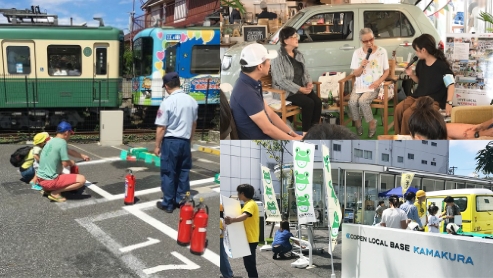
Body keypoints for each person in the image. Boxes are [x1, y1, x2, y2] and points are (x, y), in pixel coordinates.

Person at [229, 43, 303, 140]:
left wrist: (291, 133)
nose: (270, 63)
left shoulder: (251, 83)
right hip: (261, 145)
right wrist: (295, 140)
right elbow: (268, 129)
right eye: (268, 60)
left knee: (309, 136)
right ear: (260, 66)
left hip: (267, 137)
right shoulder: (246, 92)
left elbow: (270, 113)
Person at [154, 72, 198, 213]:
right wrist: (189, 143)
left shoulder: (167, 102)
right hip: (185, 142)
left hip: (171, 142)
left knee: (168, 173)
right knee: (183, 172)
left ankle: (168, 203)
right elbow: (193, 125)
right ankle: (182, 201)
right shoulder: (192, 101)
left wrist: (157, 146)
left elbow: (161, 127)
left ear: (166, 86)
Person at [394, 34, 454, 135]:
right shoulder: (421, 63)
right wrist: (411, 75)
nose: (415, 53)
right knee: (398, 109)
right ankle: (397, 136)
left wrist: (449, 103)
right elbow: (421, 81)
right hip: (418, 96)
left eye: (416, 50)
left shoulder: (441, 66)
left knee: (408, 114)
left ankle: (406, 142)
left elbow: (451, 85)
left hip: (433, 100)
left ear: (423, 50)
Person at [271, 27, 323, 136]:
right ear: (285, 40)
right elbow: (281, 80)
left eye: (296, 36)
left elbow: (305, 72)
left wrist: (308, 83)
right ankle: (305, 134)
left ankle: (314, 132)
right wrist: (300, 89)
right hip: (286, 91)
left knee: (317, 102)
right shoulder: (278, 57)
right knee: (308, 103)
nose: (296, 39)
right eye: (293, 37)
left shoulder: (298, 54)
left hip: (301, 89)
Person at [349, 28, 389, 138]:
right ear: (361, 41)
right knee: (352, 102)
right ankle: (358, 122)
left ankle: (372, 122)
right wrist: (362, 65)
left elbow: (387, 71)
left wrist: (378, 82)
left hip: (374, 85)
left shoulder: (381, 52)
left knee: (362, 101)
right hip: (360, 85)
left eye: (371, 39)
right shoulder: (357, 53)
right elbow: (355, 74)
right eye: (366, 41)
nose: (369, 43)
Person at [36, 121, 90, 202]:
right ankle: (55, 192)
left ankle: (47, 190)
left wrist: (83, 156)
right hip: (49, 181)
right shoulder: (62, 143)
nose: (70, 136)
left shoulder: (51, 141)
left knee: (60, 170)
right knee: (82, 180)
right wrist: (71, 163)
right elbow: (64, 163)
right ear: (66, 133)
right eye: (70, 134)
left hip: (40, 179)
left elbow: (70, 151)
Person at [224, 184, 259, 278]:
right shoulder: (248, 204)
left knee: (250, 264)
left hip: (250, 239)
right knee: (248, 264)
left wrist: (232, 220)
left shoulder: (250, 204)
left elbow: (245, 216)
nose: (238, 195)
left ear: (242, 193)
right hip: (248, 238)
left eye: (238, 193)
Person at [220, 204, 234, 278]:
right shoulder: (222, 220)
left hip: (220, 239)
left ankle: (228, 274)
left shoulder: (220, 220)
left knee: (222, 257)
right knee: (222, 256)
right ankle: (228, 273)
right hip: (222, 238)